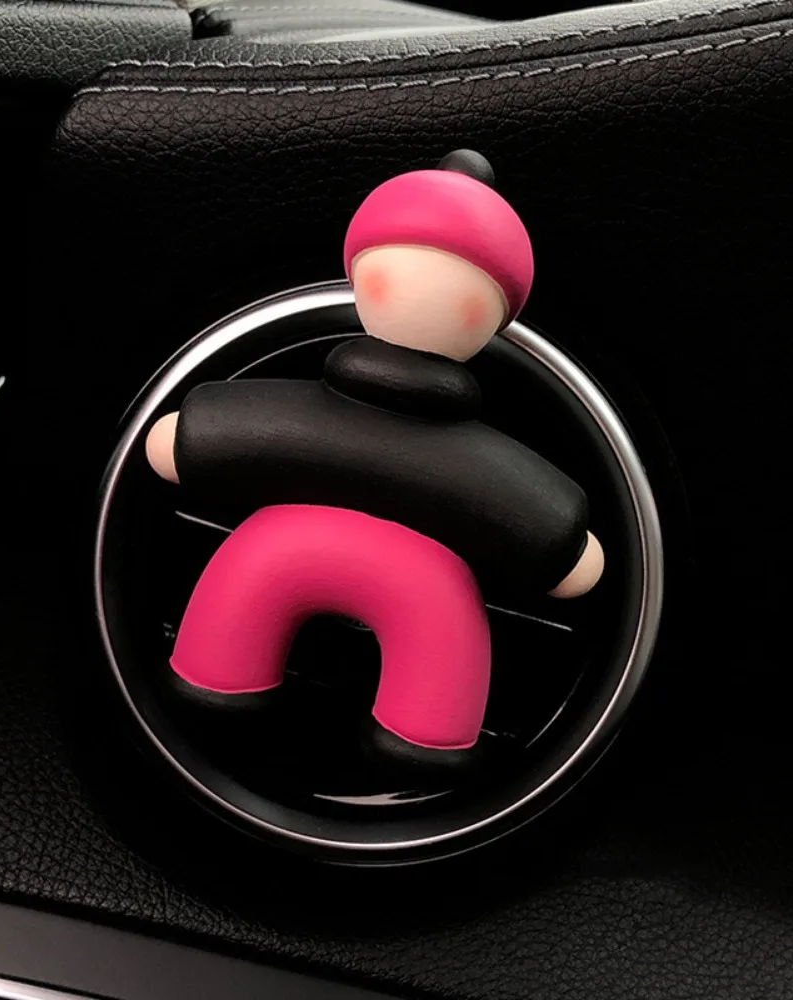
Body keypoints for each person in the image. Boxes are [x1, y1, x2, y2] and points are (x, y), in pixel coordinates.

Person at [145, 150, 603, 769]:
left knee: (423, 629)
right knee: (423, 631)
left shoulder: (447, 449)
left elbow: (231, 434)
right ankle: (418, 735)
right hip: (358, 573)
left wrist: (190, 436)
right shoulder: (458, 449)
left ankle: (399, 730)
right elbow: (531, 520)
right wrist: (563, 546)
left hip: (359, 573)